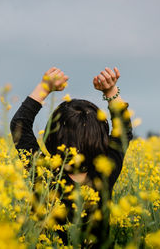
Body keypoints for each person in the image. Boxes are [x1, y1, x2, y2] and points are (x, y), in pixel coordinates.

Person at [10, 67, 133, 248]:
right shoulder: (105, 172)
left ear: (52, 137)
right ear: (101, 138)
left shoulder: (45, 172)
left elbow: (19, 125)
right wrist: (111, 91)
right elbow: (124, 131)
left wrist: (44, 88)